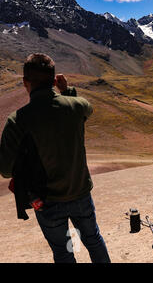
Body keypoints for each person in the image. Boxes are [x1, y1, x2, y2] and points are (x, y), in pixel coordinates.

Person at [0, 53, 110, 263]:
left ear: (25, 82)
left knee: (62, 251)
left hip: (45, 201)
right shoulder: (75, 107)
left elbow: (5, 169)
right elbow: (88, 108)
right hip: (80, 194)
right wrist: (66, 91)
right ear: (53, 81)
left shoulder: (17, 121)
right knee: (93, 239)